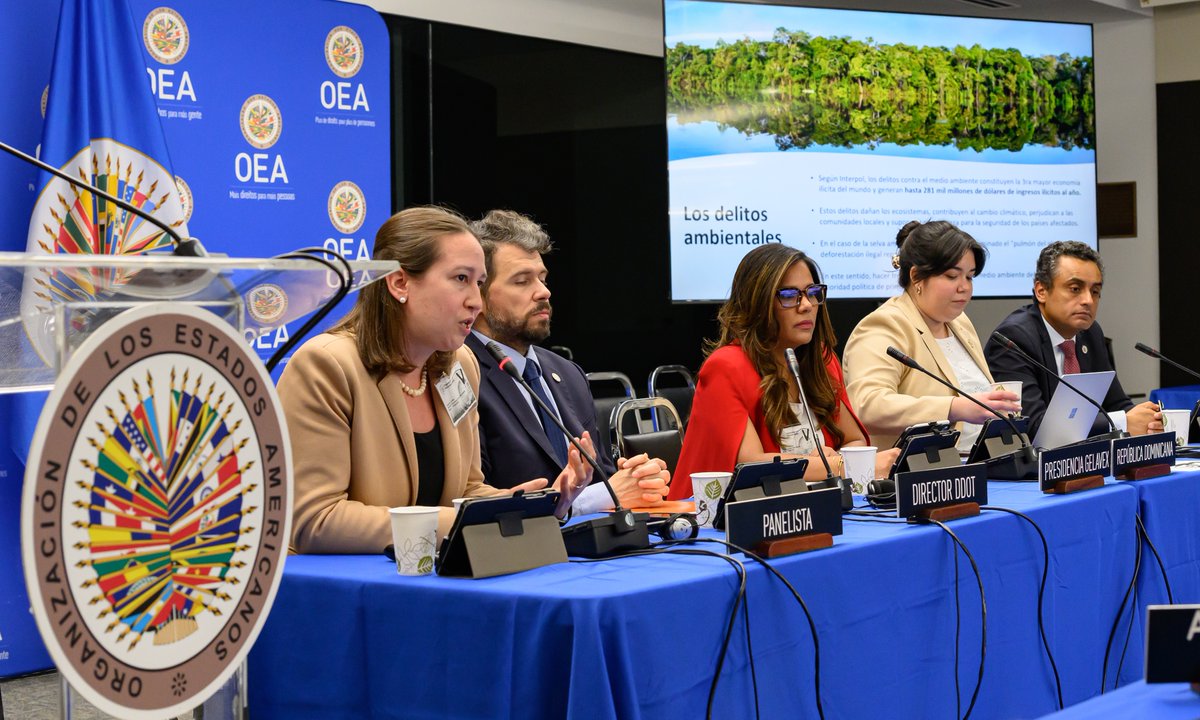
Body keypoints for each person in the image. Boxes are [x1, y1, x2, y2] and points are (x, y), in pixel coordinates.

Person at [278, 206, 592, 554]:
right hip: (341, 592)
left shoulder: (460, 365)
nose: (476, 301)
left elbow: (469, 490)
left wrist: (527, 506)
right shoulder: (327, 365)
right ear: (399, 283)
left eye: (480, 283)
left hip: (427, 577)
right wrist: (460, 521)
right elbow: (316, 521)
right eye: (461, 279)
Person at [466, 209, 669, 511]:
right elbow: (476, 500)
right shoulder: (459, 373)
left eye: (543, 278)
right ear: (478, 294)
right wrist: (607, 495)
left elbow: (601, 478)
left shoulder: (567, 373)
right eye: (522, 281)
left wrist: (637, 481)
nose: (543, 292)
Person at [668, 243, 896, 500]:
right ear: (757, 303)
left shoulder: (820, 359)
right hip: (721, 523)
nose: (807, 305)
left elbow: (855, 442)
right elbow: (753, 464)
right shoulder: (725, 367)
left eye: (812, 292)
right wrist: (837, 465)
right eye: (789, 296)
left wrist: (835, 458)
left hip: (808, 506)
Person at [843, 220, 1021, 450]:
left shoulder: (959, 322)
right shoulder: (885, 325)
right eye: (951, 276)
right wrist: (953, 408)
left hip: (979, 463)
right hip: (914, 474)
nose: (964, 287)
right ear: (916, 276)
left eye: (969, 277)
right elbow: (868, 405)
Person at [984, 240, 1162, 439]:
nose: (1088, 300)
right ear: (1041, 291)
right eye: (1075, 289)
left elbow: (1116, 403)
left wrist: (1147, 421)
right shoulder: (1013, 340)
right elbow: (1032, 427)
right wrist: (1123, 423)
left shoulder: (1090, 333)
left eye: (1095, 291)